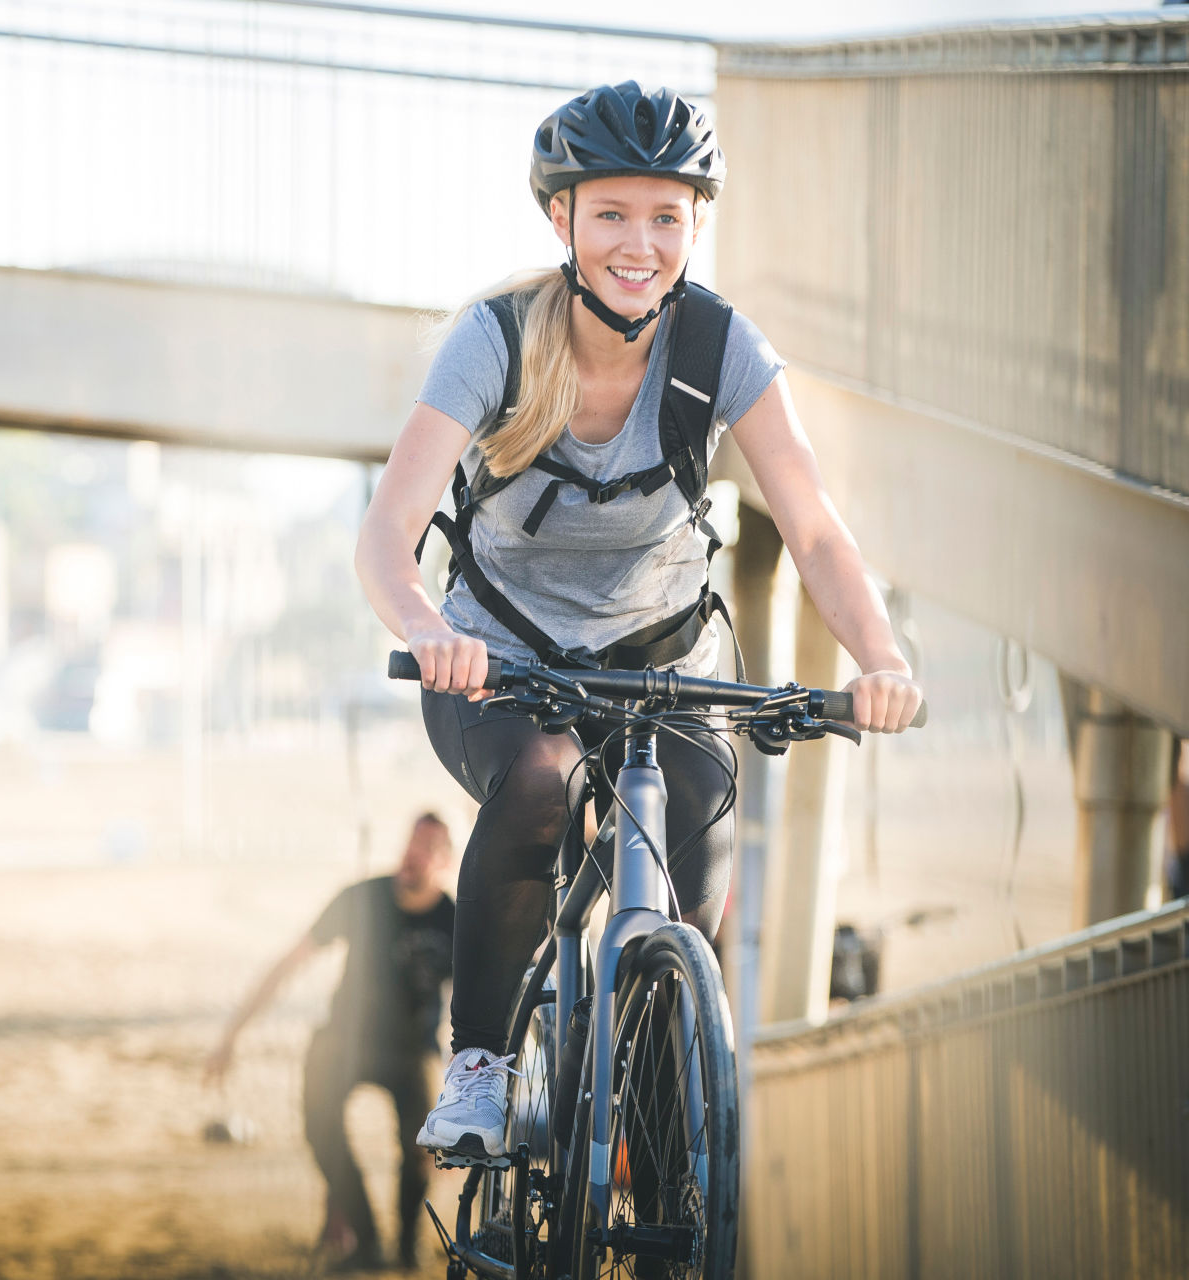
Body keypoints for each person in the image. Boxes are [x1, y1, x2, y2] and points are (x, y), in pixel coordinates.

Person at [351, 82, 924, 1162]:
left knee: (694, 852)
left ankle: (659, 1133)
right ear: (560, 219)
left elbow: (815, 531)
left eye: (667, 216)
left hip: (663, 665)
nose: (640, 244)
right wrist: (428, 626)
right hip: (503, 668)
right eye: (611, 213)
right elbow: (388, 530)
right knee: (540, 782)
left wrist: (881, 657)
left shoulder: (721, 349)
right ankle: (481, 1067)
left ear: (696, 226)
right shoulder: (497, 341)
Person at [204, 814, 457, 1272]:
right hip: (346, 1039)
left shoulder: (454, 920)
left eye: (426, 850)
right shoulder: (362, 898)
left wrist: (461, 1081)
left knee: (424, 1145)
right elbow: (289, 963)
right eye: (410, 844)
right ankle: (363, 1238)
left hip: (411, 1050)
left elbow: (473, 1006)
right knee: (320, 1125)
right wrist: (231, 1037)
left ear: (445, 863)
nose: (412, 856)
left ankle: (406, 1248)